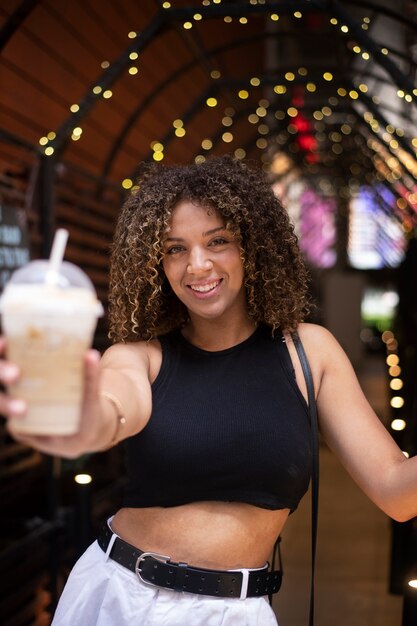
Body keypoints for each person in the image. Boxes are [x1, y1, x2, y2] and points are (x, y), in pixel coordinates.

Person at [1, 155, 416, 626]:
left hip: (234, 612)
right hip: (120, 598)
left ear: (252, 246)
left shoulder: (309, 352)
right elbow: (111, 411)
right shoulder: (141, 355)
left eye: (217, 241)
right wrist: (74, 422)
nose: (197, 266)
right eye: (175, 248)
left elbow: (397, 493)